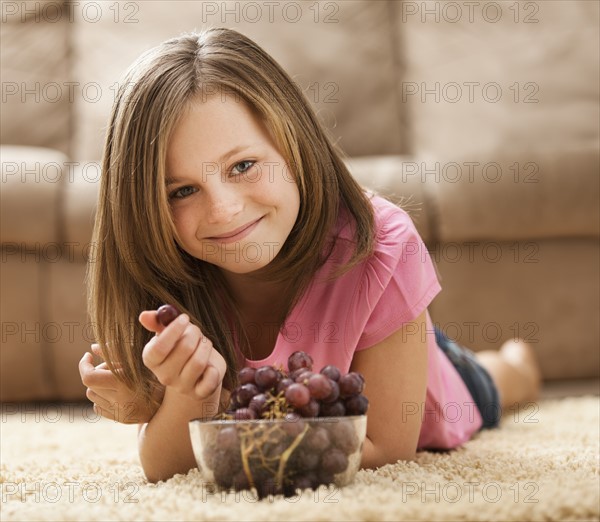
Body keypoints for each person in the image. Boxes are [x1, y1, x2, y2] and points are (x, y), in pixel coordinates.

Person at [78, 28, 541, 483]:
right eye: (181, 191)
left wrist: (215, 415)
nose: (223, 210)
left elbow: (383, 449)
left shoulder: (383, 245)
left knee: (491, 383)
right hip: (348, 351)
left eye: (243, 166)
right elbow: (166, 469)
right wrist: (187, 398)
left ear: (295, 144)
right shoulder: (167, 272)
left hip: (422, 365)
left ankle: (514, 362)